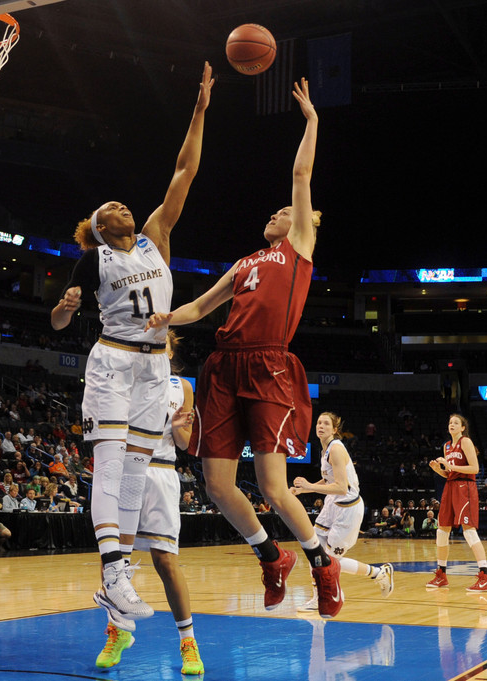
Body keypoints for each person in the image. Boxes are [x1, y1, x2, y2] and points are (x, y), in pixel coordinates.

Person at [145, 78, 342, 618]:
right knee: (215, 483)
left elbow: (301, 174)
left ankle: (321, 562)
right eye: (279, 211)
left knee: (275, 487)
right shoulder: (246, 262)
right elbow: (200, 308)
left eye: (284, 211)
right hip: (223, 369)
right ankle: (270, 555)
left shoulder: (298, 248)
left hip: (270, 366)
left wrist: (312, 121)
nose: (278, 213)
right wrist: (165, 317)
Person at [50, 62, 214, 623]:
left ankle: (117, 577)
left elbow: (184, 171)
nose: (120, 206)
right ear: (99, 228)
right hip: (114, 361)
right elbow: (55, 322)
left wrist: (199, 111)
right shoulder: (93, 258)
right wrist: (65, 308)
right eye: (109, 210)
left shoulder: (153, 239)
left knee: (138, 469)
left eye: (121, 205)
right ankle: (113, 570)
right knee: (112, 463)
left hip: (153, 369)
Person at [94, 332, 204, 674]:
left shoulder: (183, 387)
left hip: (160, 473)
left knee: (166, 562)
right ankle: (118, 632)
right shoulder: (125, 377)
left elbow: (186, 445)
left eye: (164, 344)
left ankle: (188, 643)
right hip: (126, 471)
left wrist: (177, 426)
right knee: (115, 562)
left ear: (171, 351)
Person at [290, 412, 393, 613]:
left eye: (326, 423)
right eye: (319, 422)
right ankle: (318, 597)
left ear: (335, 430)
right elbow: (330, 480)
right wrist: (304, 489)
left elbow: (342, 487)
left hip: (348, 509)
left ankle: (379, 573)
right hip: (332, 505)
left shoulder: (336, 449)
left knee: (330, 560)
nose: (321, 426)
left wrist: (309, 485)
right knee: (314, 552)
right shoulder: (325, 449)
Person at [426, 413, 487, 592]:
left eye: (456, 423)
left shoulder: (465, 442)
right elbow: (450, 474)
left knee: (469, 532)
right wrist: (438, 470)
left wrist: (450, 466)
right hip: (450, 486)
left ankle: (485, 576)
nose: (452, 425)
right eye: (450, 422)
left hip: (466, 487)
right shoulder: (447, 446)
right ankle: (441, 574)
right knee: (442, 531)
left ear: (463, 427)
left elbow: (474, 468)